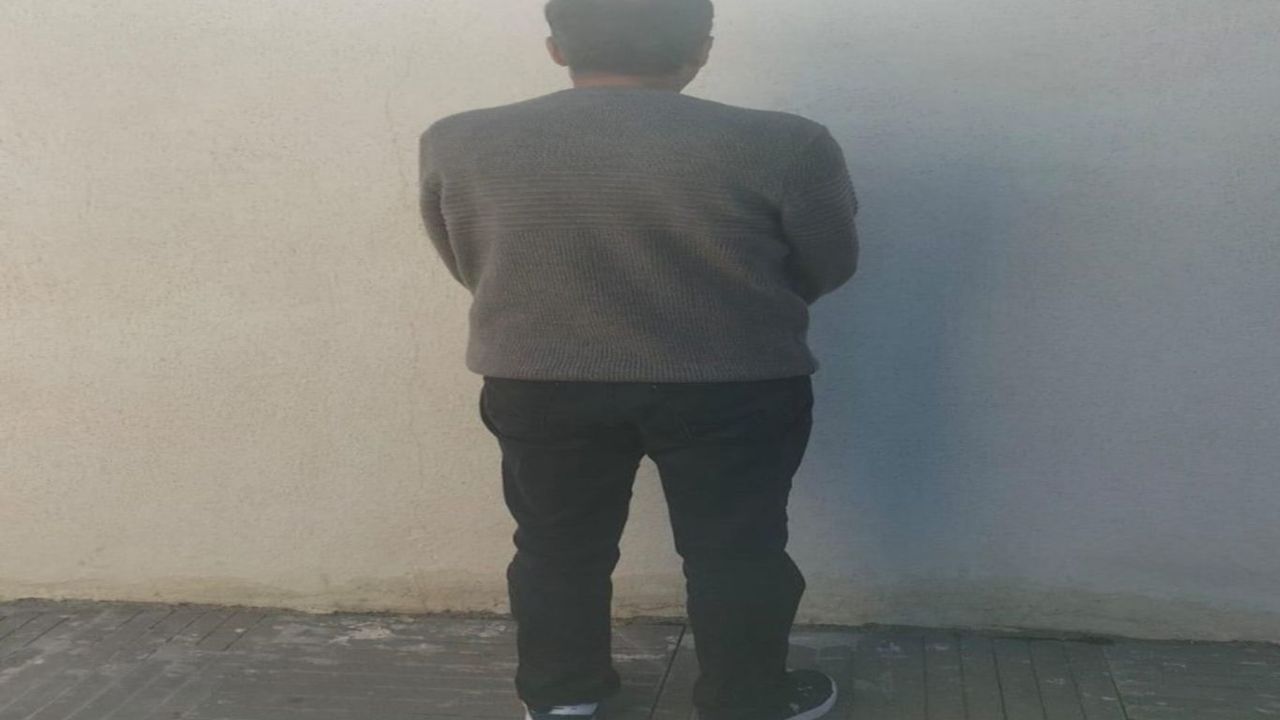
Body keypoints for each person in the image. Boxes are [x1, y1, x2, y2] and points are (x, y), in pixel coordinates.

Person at [418, 1, 858, 718]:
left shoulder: (457, 140)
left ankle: (561, 699)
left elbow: (471, 259)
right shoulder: (788, 143)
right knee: (738, 550)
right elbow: (828, 262)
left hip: (540, 378)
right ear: (702, 48)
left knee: (556, 547)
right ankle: (746, 702)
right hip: (733, 381)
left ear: (557, 48)